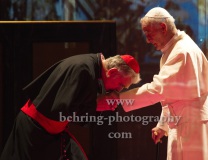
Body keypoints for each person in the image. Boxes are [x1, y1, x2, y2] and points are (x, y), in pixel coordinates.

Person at [118, 7, 208, 160]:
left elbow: (158, 90)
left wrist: (119, 99)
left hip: (193, 131)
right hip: (185, 127)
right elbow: (172, 97)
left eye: (149, 34)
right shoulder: (173, 49)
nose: (147, 40)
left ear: (163, 28)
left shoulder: (182, 51)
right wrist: (162, 126)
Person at [0, 53, 141, 160]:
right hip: (34, 131)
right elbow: (60, 110)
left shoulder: (92, 68)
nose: (118, 90)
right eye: (121, 85)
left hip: (50, 132)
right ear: (112, 72)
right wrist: (96, 104)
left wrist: (97, 105)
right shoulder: (84, 69)